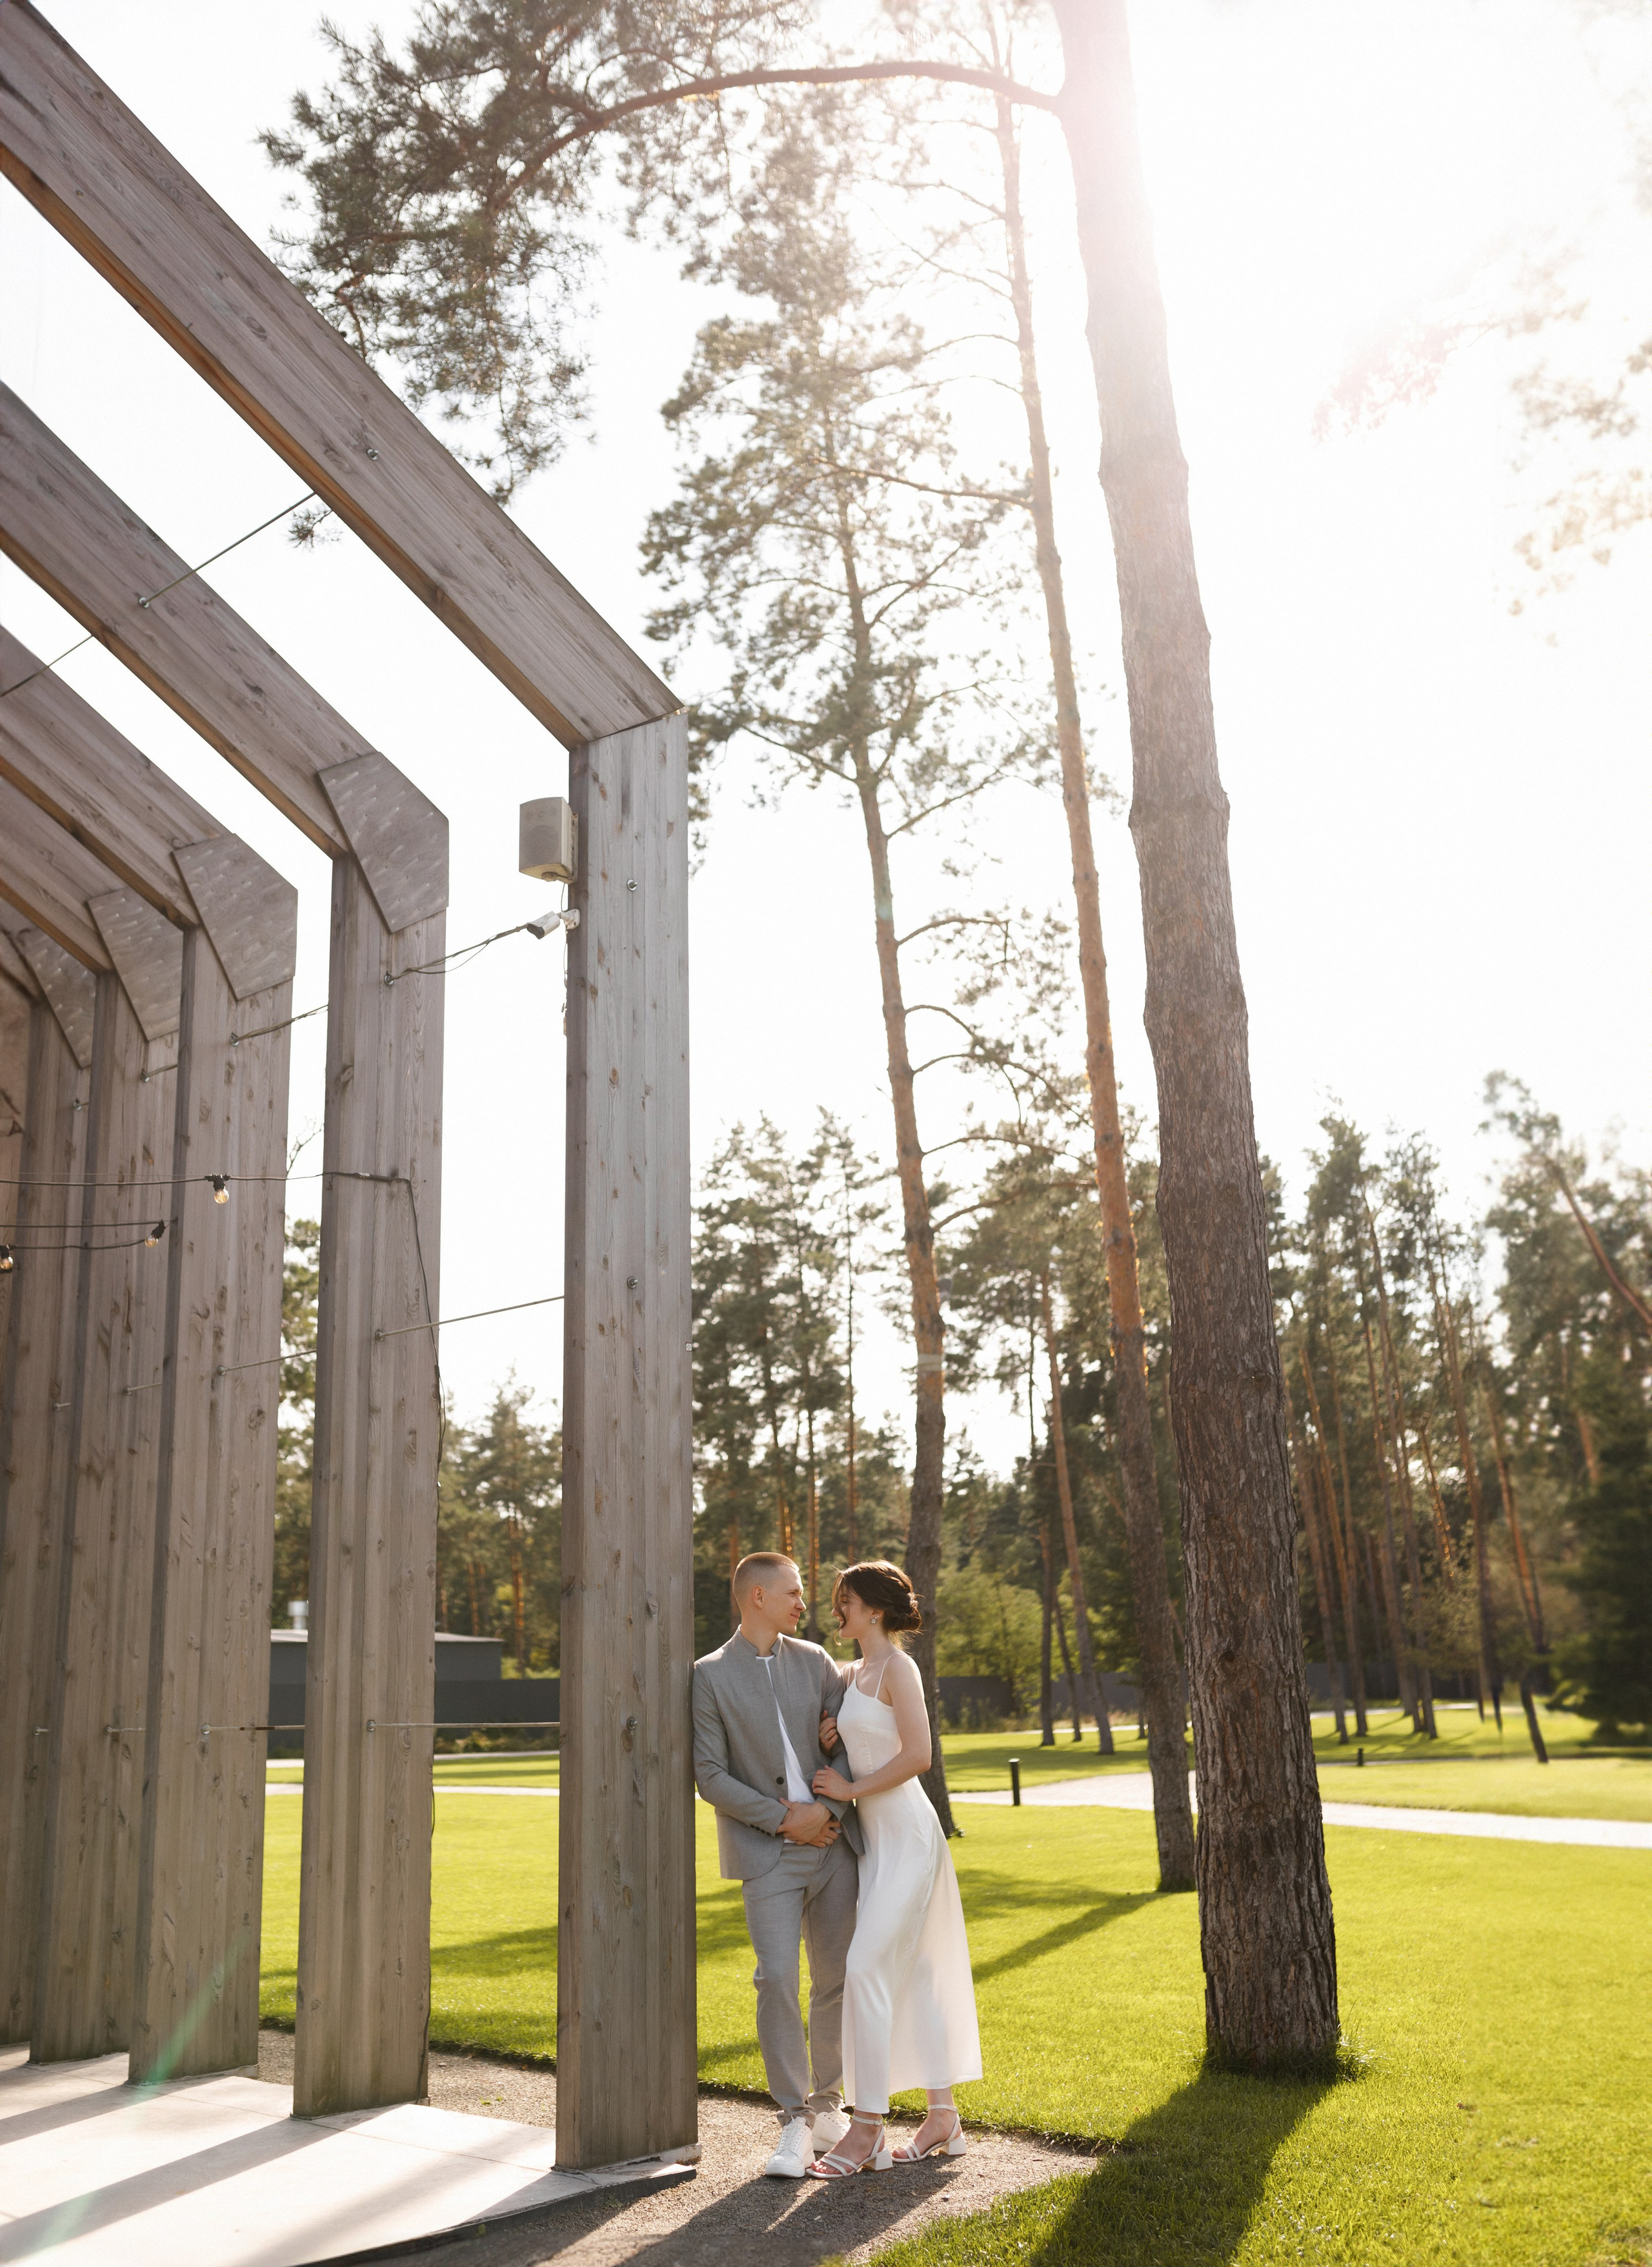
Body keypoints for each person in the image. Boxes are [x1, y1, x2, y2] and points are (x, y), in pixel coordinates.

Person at [807, 1559, 982, 2179]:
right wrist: (834, 1739)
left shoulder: (898, 1668)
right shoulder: (851, 1673)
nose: (839, 1610)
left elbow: (917, 1755)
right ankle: (943, 2118)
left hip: (908, 1835)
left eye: (847, 1600)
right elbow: (861, 1739)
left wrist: (849, 1785)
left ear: (875, 1609)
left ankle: (868, 2130)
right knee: (919, 1972)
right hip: (873, 1848)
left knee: (864, 1967)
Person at [691, 1552, 861, 2179]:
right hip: (767, 1853)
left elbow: (850, 1739)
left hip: (833, 1846)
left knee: (834, 1976)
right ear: (756, 1595)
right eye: (792, 1592)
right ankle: (793, 2118)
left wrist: (823, 1809)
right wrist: (787, 1818)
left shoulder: (817, 1660)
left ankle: (829, 2107)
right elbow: (708, 1774)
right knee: (776, 1980)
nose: (803, 1601)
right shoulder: (707, 1676)